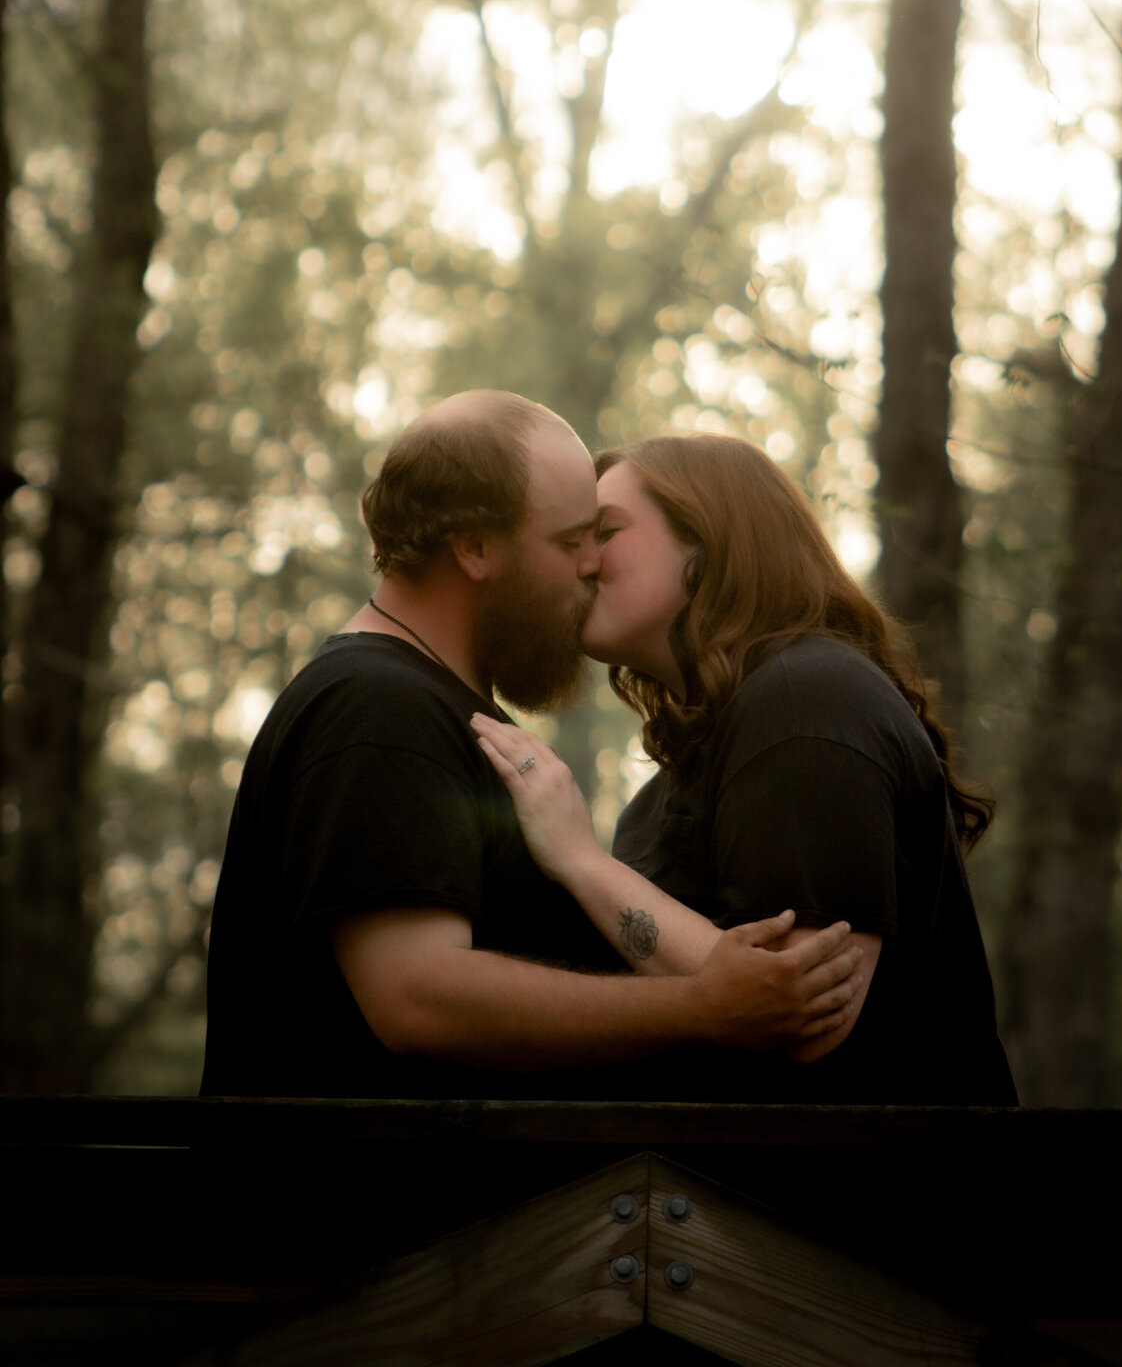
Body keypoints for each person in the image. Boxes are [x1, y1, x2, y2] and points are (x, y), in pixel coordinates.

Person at [200, 392, 861, 1096]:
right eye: (571, 541)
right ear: (476, 548)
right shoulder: (376, 706)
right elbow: (417, 997)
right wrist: (700, 1008)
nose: (591, 566)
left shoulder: (423, 705)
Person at [473, 432, 1017, 1105]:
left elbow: (802, 1017)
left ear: (709, 543)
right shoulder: (684, 774)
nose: (581, 563)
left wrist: (583, 862)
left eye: (605, 531)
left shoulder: (807, 697)